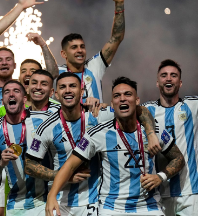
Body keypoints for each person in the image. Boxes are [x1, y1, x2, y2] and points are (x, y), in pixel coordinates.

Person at [45, 76, 185, 216]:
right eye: (117, 96)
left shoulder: (154, 131)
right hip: (111, 208)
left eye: (128, 94)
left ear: (137, 101)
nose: (122, 99)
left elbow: (178, 158)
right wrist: (52, 195)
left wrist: (160, 177)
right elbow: (69, 165)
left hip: (149, 207)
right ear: (112, 104)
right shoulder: (97, 133)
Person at [24, 72, 159, 215]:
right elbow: (29, 165)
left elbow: (139, 109)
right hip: (61, 199)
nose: (68, 90)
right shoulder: (47, 127)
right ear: (56, 94)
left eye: (73, 86)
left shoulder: (99, 115)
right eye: (63, 87)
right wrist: (60, 176)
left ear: (81, 91)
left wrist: (150, 133)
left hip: (93, 200)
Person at [0, 80, 53, 216]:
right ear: (2, 99)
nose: (11, 95)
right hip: (16, 205)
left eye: (16, 91)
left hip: (46, 201)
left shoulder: (44, 120)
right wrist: (1, 162)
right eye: (6, 92)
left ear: (25, 99)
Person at [142, 59, 198, 215]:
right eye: (164, 75)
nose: (168, 78)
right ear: (157, 82)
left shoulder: (192, 105)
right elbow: (122, 109)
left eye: (173, 75)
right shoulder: (148, 110)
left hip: (190, 193)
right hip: (158, 195)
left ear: (179, 83)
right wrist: (103, 106)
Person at [58, 0, 126, 103]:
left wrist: (119, 5)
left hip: (96, 121)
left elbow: (116, 38)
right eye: (74, 47)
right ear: (63, 54)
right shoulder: (56, 72)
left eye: (82, 46)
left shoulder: (94, 66)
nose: (80, 50)